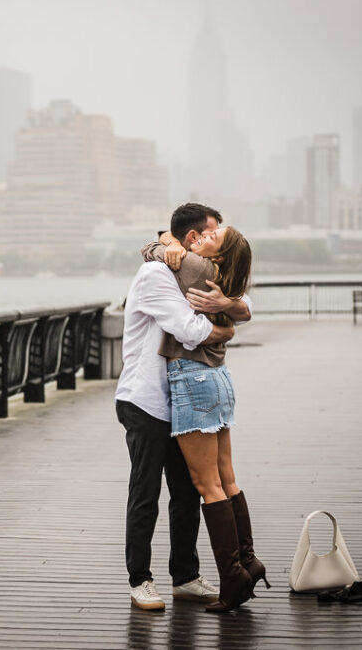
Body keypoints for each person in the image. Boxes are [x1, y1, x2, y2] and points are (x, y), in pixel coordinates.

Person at [115, 203, 252, 611]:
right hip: (146, 399)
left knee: (187, 492)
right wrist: (225, 326)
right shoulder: (156, 274)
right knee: (146, 491)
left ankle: (186, 576)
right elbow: (188, 330)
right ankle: (140, 579)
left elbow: (243, 300)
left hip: (182, 399)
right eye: (210, 233)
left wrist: (227, 307)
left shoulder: (191, 270)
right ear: (192, 238)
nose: (212, 241)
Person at [147, 221, 268, 613]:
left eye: (212, 237)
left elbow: (152, 254)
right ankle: (248, 561)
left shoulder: (197, 267)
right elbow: (244, 309)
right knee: (227, 478)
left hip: (193, 378)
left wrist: (163, 242)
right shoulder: (222, 278)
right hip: (218, 379)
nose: (201, 238)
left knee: (207, 484)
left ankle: (233, 579)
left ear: (218, 254)